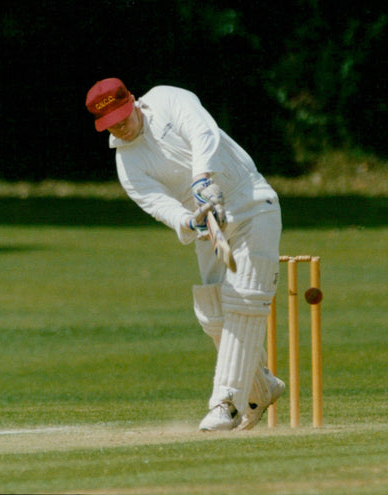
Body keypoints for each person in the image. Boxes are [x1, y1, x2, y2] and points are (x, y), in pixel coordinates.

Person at [85, 78, 285, 431]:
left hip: (253, 203)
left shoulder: (166, 100)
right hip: (211, 226)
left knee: (245, 301)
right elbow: (159, 205)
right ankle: (261, 387)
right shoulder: (127, 164)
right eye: (109, 123)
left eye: (122, 116)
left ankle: (226, 403)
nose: (119, 127)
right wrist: (190, 221)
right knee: (213, 314)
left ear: (132, 100)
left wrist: (202, 179)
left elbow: (202, 131)